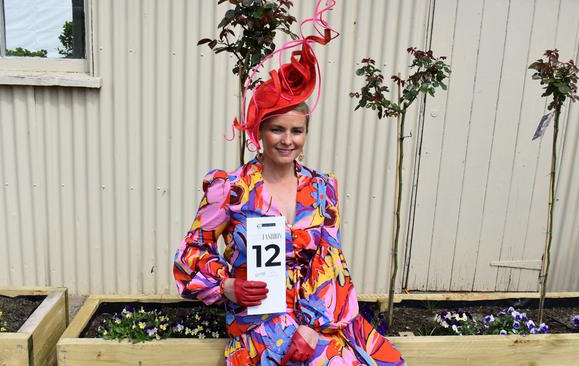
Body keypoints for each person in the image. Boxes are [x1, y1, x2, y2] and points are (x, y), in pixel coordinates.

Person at [173, 1, 405, 364]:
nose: (287, 140)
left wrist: (313, 325)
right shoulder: (230, 188)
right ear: (259, 131)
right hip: (260, 318)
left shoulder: (321, 188)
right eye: (277, 129)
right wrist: (226, 285)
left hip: (317, 313)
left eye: (297, 131)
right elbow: (191, 253)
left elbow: (330, 259)